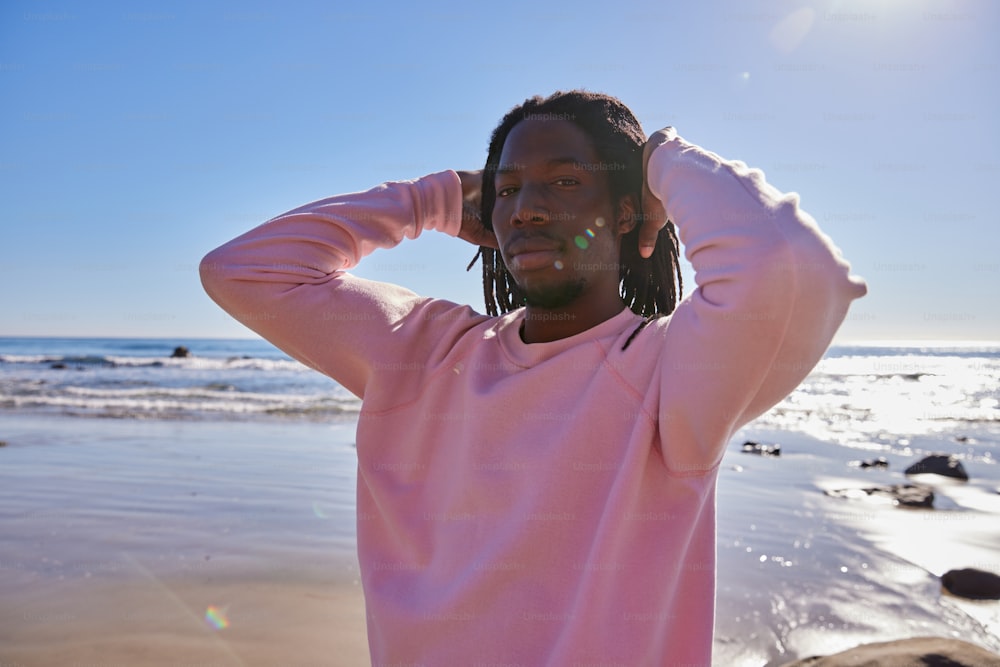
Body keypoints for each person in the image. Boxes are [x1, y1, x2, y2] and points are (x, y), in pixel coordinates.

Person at [201, 90, 866, 665]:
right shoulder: (422, 350)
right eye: (508, 189)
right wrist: (428, 199)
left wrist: (662, 158)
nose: (527, 208)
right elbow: (242, 270)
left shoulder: (669, 375)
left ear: (630, 210)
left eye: (565, 182)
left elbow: (793, 268)